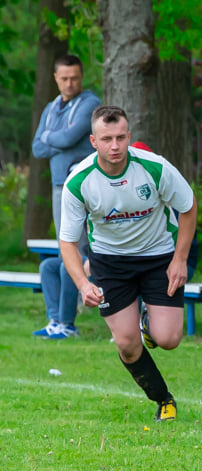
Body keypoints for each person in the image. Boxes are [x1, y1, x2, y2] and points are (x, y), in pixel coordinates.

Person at [58, 105, 197, 422]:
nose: (115, 146)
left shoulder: (154, 168)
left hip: (158, 256)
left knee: (169, 339)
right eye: (107, 139)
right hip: (110, 265)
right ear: (94, 141)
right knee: (128, 345)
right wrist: (83, 283)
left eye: (121, 137)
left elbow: (188, 207)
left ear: (130, 137)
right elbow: (67, 242)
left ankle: (149, 321)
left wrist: (180, 260)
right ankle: (164, 400)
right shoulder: (79, 182)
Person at [31, 54, 101, 339]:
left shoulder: (90, 104)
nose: (70, 83)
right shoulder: (50, 108)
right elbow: (37, 148)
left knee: (78, 251)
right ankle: (56, 321)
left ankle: (68, 322)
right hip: (59, 187)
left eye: (74, 77)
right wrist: (54, 138)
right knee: (61, 255)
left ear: (81, 76)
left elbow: (68, 139)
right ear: (55, 78)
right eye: (64, 78)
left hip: (82, 187)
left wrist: (52, 137)